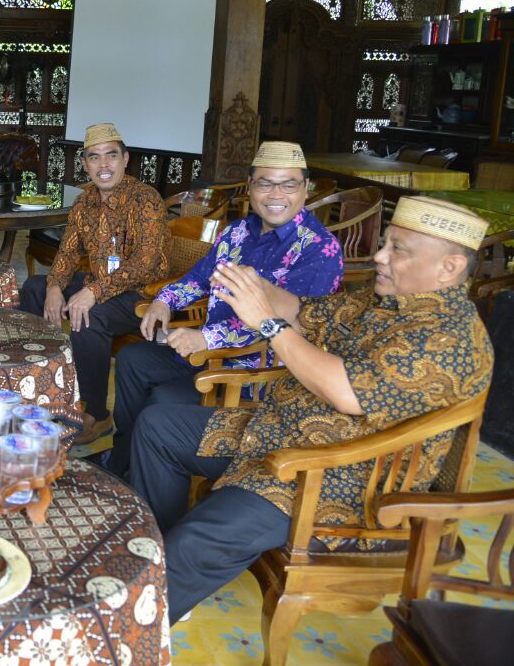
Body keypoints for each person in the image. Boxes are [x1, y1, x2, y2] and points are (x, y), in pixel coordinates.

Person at [128, 196, 493, 622]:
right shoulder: (384, 302)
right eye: (386, 243)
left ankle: (139, 620)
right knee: (158, 424)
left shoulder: (451, 340)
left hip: (334, 478)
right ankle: (163, 564)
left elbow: (345, 392)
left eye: (398, 249)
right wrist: (253, 286)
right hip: (277, 432)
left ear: (449, 268)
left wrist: (267, 322)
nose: (380, 256)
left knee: (197, 539)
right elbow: (303, 312)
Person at [105, 142, 343, 477]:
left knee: (160, 403)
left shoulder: (320, 249)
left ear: (305, 189)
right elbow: (199, 278)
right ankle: (121, 464)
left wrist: (205, 338)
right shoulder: (237, 232)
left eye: (289, 184)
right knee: (133, 360)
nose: (277, 194)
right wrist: (164, 301)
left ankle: (145, 476)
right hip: (207, 353)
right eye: (265, 183)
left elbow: (290, 322)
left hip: (254, 372)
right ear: (250, 187)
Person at [17, 122, 170, 440]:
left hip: (140, 295)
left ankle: (96, 414)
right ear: (85, 164)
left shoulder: (146, 200)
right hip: (99, 285)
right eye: (95, 157)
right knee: (34, 287)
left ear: (125, 159)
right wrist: (56, 285)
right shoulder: (84, 202)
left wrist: (92, 291)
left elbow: (145, 265)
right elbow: (68, 251)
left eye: (111, 156)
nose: (104, 165)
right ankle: (38, 389)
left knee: (89, 314)